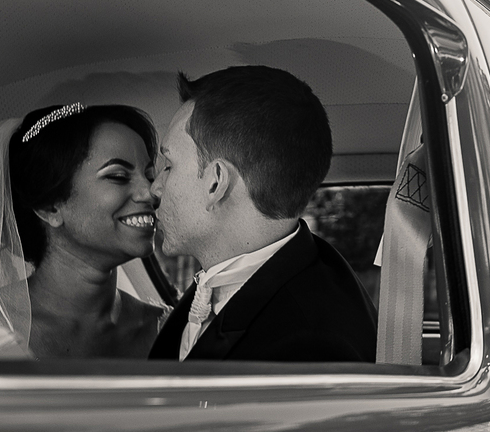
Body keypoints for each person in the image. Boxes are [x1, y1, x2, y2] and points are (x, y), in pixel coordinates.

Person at [149, 66, 377, 362]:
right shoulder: (298, 279)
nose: (155, 188)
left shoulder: (307, 348)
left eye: (168, 166)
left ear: (216, 182)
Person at [0, 103, 168, 359]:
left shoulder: (169, 327)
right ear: (50, 207)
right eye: (118, 176)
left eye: (150, 176)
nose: (151, 192)